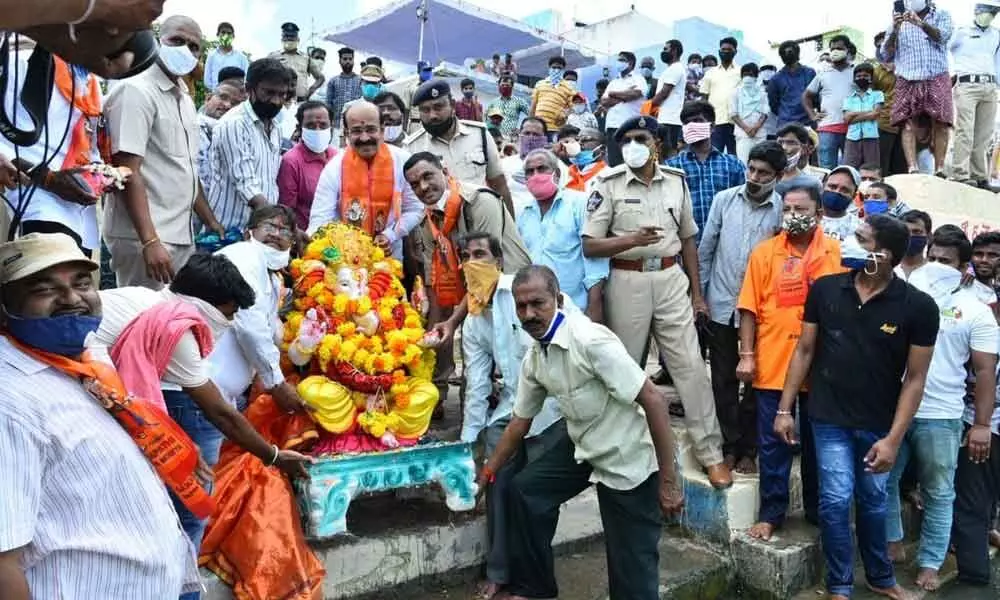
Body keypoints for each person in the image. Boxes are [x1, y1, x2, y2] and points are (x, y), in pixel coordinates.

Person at [0, 232, 200, 599]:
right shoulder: (9, 402)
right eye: (44, 289)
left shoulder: (86, 355)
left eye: (82, 283)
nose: (72, 299)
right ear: (5, 306)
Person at [479, 265, 685, 600]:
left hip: (626, 458)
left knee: (631, 575)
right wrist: (488, 471)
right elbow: (519, 422)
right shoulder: (537, 355)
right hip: (583, 445)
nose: (529, 314)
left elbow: (654, 400)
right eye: (521, 306)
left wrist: (668, 480)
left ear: (558, 300)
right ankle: (536, 589)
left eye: (538, 303)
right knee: (525, 491)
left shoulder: (589, 339)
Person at [776, 214, 940, 600]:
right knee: (834, 500)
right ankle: (839, 586)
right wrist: (785, 409)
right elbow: (804, 351)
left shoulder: (918, 307)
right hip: (828, 415)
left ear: (887, 255)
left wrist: (894, 440)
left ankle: (880, 578)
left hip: (879, 425)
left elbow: (915, 379)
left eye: (862, 240)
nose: (851, 243)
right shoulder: (826, 290)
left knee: (873, 502)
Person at [583, 116, 732, 488]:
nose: (633, 144)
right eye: (626, 139)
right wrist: (630, 239)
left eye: (641, 138)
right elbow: (590, 244)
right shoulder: (608, 184)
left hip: (670, 280)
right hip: (626, 278)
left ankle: (710, 453)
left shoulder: (675, 181)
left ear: (656, 144)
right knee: (624, 368)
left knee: (692, 368)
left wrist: (697, 294)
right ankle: (617, 450)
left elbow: (688, 241)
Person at [884, 229, 998, 592]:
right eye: (932, 258)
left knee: (939, 490)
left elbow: (984, 372)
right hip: (896, 409)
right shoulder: (899, 300)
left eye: (945, 262)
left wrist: (981, 424)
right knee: (882, 480)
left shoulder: (977, 312)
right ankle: (893, 542)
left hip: (942, 415)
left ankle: (931, 561)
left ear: (963, 268)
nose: (935, 267)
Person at [457, 235, 570, 600]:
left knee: (535, 495)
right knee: (496, 482)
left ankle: (532, 579)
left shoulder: (522, 296)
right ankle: (499, 572)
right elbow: (476, 386)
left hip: (552, 411)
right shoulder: (474, 320)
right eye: (464, 256)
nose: (471, 262)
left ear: (498, 260)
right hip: (510, 410)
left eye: (480, 255)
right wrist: (467, 446)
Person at [738, 183, 843, 541]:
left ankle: (817, 510)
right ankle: (772, 514)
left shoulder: (837, 252)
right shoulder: (764, 253)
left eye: (801, 209)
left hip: (824, 366)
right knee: (773, 445)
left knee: (818, 443)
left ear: (819, 213)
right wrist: (747, 355)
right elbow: (748, 308)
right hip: (773, 362)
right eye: (788, 209)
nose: (793, 215)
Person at [104, 15, 225, 289]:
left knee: (169, 324)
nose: (185, 50)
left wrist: (209, 220)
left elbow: (186, 169)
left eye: (194, 46)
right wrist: (150, 241)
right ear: (159, 40)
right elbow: (126, 172)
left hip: (179, 235)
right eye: (177, 41)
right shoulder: (136, 90)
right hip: (145, 238)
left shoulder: (183, 96)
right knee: (143, 323)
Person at [698, 141, 787, 473]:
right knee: (722, 378)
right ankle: (729, 445)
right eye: (751, 169)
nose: (754, 177)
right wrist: (700, 296)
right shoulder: (725, 200)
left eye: (763, 173)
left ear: (777, 177)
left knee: (757, 382)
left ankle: (749, 447)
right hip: (721, 303)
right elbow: (706, 249)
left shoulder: (782, 210)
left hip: (763, 312)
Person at [0, 52, 103, 254]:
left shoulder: (90, 79)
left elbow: (90, 142)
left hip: (80, 207)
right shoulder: (20, 63)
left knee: (77, 281)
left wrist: (101, 175)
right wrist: (48, 179)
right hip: (36, 204)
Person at [309, 102, 422, 258]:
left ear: (382, 130)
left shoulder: (402, 161)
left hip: (390, 260)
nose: (364, 138)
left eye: (370, 129)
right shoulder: (334, 167)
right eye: (356, 131)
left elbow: (416, 209)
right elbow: (321, 218)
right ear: (347, 134)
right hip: (344, 264)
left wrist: (390, 235)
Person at [516, 149, 609, 319]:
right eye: (530, 172)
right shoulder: (523, 213)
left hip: (574, 308)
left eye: (542, 168)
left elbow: (595, 263)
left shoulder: (578, 203)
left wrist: (594, 305)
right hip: (535, 311)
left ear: (557, 173)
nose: (535, 175)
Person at [405, 79, 514, 216]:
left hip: (481, 223)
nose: (432, 115)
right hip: (439, 229)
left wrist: (510, 228)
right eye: (425, 110)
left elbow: (499, 185)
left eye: (438, 107)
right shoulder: (413, 147)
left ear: (452, 105)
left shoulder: (479, 134)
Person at [208, 58, 293, 231]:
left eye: (282, 94)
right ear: (248, 89)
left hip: (261, 231)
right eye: (268, 92)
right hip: (229, 232)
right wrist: (284, 225)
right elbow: (246, 184)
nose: (276, 101)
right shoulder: (234, 124)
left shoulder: (275, 127)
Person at [880, 0, 954, 175]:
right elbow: (886, 53)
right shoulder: (896, 21)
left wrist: (919, 23)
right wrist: (896, 28)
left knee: (942, 121)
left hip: (936, 73)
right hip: (907, 76)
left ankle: (940, 168)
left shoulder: (942, 15)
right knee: (907, 122)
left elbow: (943, 37)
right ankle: (912, 167)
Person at [665, 101, 746, 239]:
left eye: (698, 121)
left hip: (725, 243)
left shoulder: (733, 165)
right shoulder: (671, 167)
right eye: (687, 123)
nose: (692, 126)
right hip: (685, 245)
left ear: (712, 127)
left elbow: (744, 205)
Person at [949, 2, 1000, 187]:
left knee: (984, 134)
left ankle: (979, 175)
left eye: (994, 12)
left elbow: (998, 61)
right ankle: (961, 173)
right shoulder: (961, 31)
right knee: (965, 130)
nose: (990, 14)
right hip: (967, 83)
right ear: (977, 11)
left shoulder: (996, 34)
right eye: (988, 10)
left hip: (989, 85)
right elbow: (946, 50)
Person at [277, 101, 337, 231]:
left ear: (331, 127)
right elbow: (287, 210)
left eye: (323, 125)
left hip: (338, 234)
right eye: (310, 126)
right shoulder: (291, 161)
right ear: (300, 128)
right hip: (307, 236)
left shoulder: (337, 157)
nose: (317, 130)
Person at [804, 35, 856, 169]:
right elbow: (806, 96)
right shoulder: (823, 73)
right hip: (827, 128)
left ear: (848, 50)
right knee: (826, 169)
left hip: (852, 128)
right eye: (832, 49)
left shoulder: (856, 71)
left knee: (850, 169)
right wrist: (812, 115)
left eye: (839, 48)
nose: (835, 51)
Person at [601, 51, 648, 167]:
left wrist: (613, 94)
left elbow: (636, 94)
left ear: (630, 63)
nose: (619, 62)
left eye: (622, 60)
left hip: (630, 126)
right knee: (614, 163)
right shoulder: (613, 81)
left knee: (631, 161)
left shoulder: (638, 79)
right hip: (612, 126)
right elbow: (604, 101)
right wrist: (624, 96)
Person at [872, 32, 909, 176]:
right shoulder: (875, 72)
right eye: (879, 46)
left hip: (905, 124)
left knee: (901, 168)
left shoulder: (907, 67)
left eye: (886, 44)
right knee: (883, 167)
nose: (883, 48)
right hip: (883, 124)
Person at [197, 81, 241, 197]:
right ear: (208, 98)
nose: (227, 105)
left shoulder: (237, 136)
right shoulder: (189, 126)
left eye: (235, 103)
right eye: (223, 97)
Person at [700, 37, 742, 155]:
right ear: (719, 51)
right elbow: (704, 99)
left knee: (735, 155)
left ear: (735, 52)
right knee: (714, 155)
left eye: (729, 49)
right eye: (723, 49)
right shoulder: (710, 73)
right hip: (715, 121)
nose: (726, 52)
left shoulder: (741, 72)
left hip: (736, 122)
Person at [842, 63, 885, 168]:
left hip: (871, 137)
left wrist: (853, 114)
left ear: (871, 78)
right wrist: (868, 112)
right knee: (850, 168)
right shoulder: (848, 98)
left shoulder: (878, 94)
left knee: (872, 169)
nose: (862, 78)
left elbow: (875, 114)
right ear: (854, 79)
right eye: (859, 76)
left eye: (865, 76)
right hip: (852, 138)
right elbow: (846, 119)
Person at [268, 22, 324, 102]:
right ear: (282, 38)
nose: (289, 39)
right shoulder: (272, 57)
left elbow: (320, 78)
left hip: (301, 102)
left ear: (298, 39)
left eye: (292, 36)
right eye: (286, 36)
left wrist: (311, 90)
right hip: (279, 101)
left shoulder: (306, 58)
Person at [769, 42, 818, 129]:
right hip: (786, 124)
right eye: (784, 53)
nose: (788, 55)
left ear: (797, 53)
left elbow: (816, 98)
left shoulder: (810, 73)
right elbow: (773, 105)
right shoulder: (775, 79)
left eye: (790, 52)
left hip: (807, 122)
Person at [652, 39, 687, 159]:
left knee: (669, 155)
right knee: (661, 154)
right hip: (664, 118)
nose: (663, 52)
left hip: (670, 120)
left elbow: (664, 93)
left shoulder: (676, 68)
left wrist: (649, 105)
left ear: (675, 51)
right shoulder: (670, 69)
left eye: (666, 49)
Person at [731, 63, 769, 164]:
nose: (747, 77)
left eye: (751, 75)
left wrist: (756, 128)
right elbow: (733, 114)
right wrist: (747, 129)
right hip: (743, 134)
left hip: (760, 134)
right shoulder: (736, 92)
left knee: (760, 162)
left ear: (756, 77)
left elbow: (765, 113)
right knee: (743, 163)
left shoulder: (762, 93)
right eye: (745, 75)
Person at [820, 166, 864, 250]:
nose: (837, 192)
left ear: (854, 196)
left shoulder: (858, 228)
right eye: (832, 187)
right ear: (823, 187)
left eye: (845, 190)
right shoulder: (805, 218)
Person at [531, 56, 576, 137]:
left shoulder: (569, 87)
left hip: (555, 129)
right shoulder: (540, 84)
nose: (556, 70)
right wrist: (530, 123)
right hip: (538, 127)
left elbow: (573, 108)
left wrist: (564, 115)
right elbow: (533, 106)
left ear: (563, 70)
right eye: (554, 67)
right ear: (549, 68)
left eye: (559, 68)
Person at [325, 47, 362, 140]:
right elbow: (328, 104)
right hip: (337, 126)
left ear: (353, 60)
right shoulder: (333, 81)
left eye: (350, 59)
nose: (348, 61)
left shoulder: (361, 81)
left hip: (358, 125)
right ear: (340, 61)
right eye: (345, 59)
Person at [203, 22, 249, 92]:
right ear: (218, 35)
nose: (226, 35)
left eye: (229, 33)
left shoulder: (242, 57)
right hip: (216, 95)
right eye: (223, 32)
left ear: (233, 36)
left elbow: (246, 79)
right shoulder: (211, 55)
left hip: (236, 97)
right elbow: (207, 80)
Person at [485, 74, 531, 141]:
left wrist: (522, 129)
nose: (504, 87)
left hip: (510, 138)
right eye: (502, 85)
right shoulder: (493, 102)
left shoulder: (519, 101)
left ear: (512, 87)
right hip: (494, 137)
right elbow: (486, 119)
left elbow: (531, 115)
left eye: (507, 85)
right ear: (498, 86)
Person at [565, 127, 607, 192]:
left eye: (585, 139)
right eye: (577, 140)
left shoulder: (606, 173)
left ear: (602, 149)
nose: (579, 143)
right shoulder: (566, 172)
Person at [895, 210, 932, 279]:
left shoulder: (935, 272)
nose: (910, 236)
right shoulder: (888, 270)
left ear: (929, 237)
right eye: (905, 231)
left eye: (916, 231)